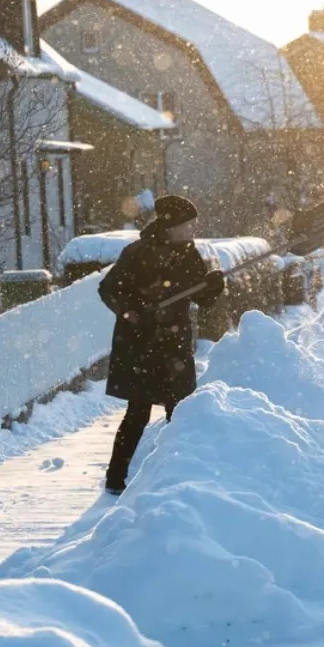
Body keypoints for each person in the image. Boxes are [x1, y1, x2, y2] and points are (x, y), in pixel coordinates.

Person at [98, 195, 225, 494]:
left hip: (175, 345)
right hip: (140, 343)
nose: (193, 228)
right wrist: (131, 310)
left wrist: (213, 287)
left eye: (194, 223)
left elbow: (200, 299)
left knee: (179, 412)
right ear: (170, 226)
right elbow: (109, 289)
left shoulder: (190, 254)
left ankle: (179, 476)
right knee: (137, 413)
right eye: (188, 224)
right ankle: (115, 477)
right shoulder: (138, 253)